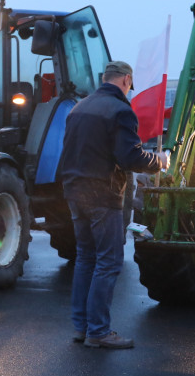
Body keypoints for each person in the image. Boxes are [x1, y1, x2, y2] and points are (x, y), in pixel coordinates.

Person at [58, 60, 168, 349]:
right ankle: (99, 331)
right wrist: (160, 161)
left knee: (86, 259)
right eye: (131, 86)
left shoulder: (79, 107)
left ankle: (82, 327)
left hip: (74, 190)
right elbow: (130, 158)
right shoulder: (120, 110)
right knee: (108, 262)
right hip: (102, 194)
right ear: (126, 80)